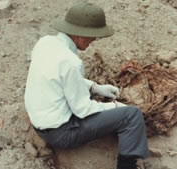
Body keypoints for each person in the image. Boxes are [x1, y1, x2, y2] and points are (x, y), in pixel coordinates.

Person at [24, 2, 150, 169]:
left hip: (40, 122)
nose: (93, 41)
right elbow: (82, 109)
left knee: (102, 106)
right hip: (62, 133)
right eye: (93, 36)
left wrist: (95, 87)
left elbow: (58, 77)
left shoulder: (45, 43)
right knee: (131, 115)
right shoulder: (71, 62)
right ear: (80, 35)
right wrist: (114, 106)